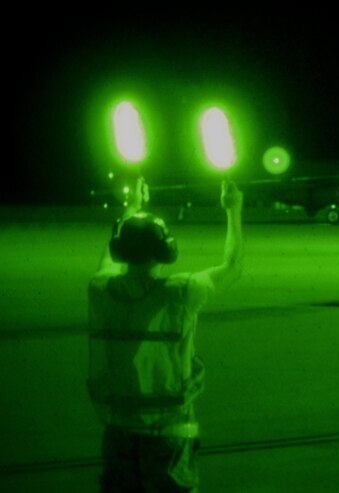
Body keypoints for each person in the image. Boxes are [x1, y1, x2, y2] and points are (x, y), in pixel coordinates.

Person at [87, 177, 244, 492]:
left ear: (120, 250)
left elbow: (107, 262)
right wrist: (233, 211)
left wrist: (130, 210)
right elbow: (232, 265)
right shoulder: (182, 291)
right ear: (165, 249)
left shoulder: (101, 288)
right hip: (169, 431)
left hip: (118, 431)